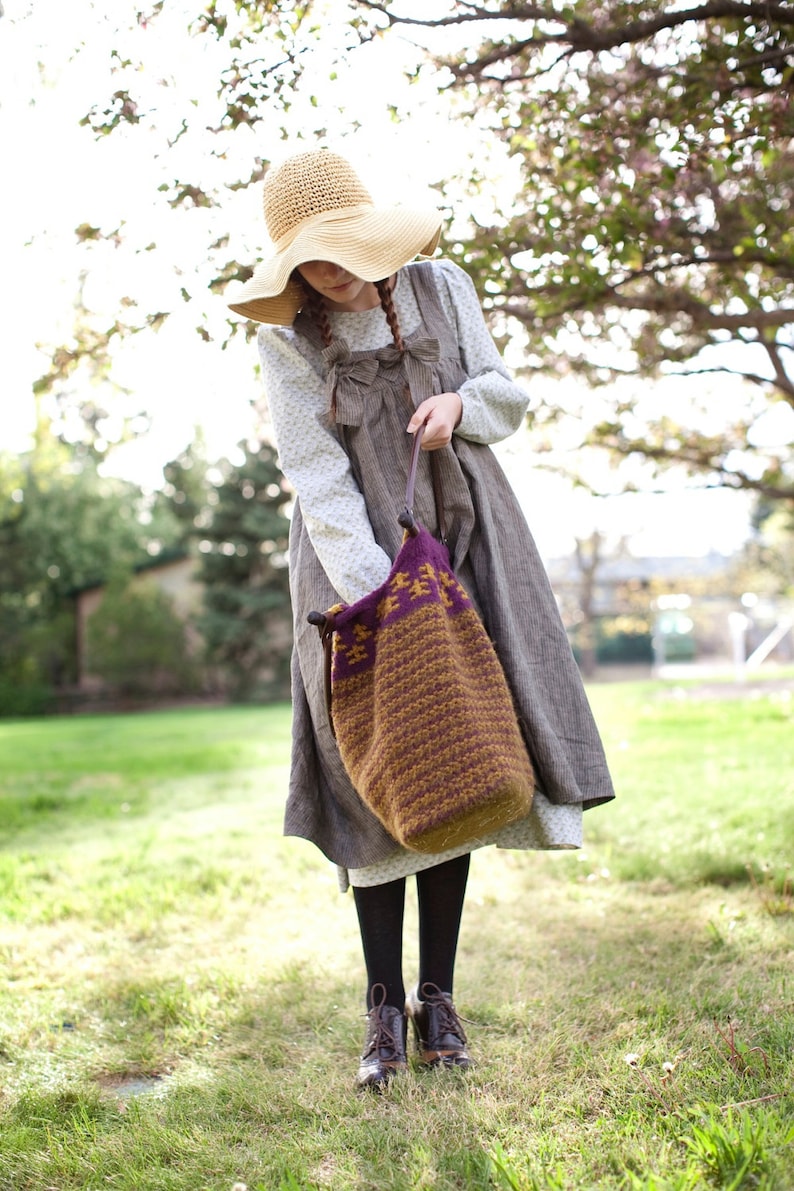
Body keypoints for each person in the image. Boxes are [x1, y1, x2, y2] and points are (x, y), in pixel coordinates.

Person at [227, 148, 615, 1091]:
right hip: (356, 571)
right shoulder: (289, 340)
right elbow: (315, 473)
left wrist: (460, 403)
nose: (340, 277)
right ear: (292, 270)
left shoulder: (443, 286)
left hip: (468, 537)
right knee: (380, 769)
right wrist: (387, 595)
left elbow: (507, 395)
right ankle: (380, 1009)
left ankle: (438, 996)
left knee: (460, 755)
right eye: (315, 265)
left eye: (347, 254)